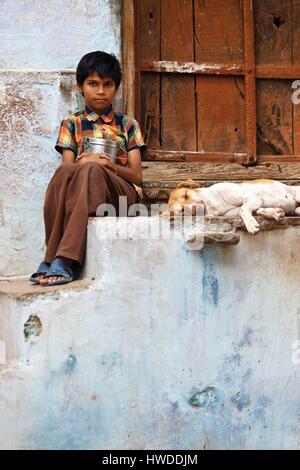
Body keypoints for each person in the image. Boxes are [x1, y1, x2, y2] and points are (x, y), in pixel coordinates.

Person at [29, 51, 146, 286]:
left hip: (121, 197)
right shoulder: (72, 123)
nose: (101, 90)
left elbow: (137, 177)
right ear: (80, 87)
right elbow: (67, 169)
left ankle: (65, 259)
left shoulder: (128, 124)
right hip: (84, 192)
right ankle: (51, 257)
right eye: (93, 84)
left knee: (92, 169)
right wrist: (85, 163)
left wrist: (107, 165)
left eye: (108, 84)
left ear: (116, 88)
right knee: (66, 171)